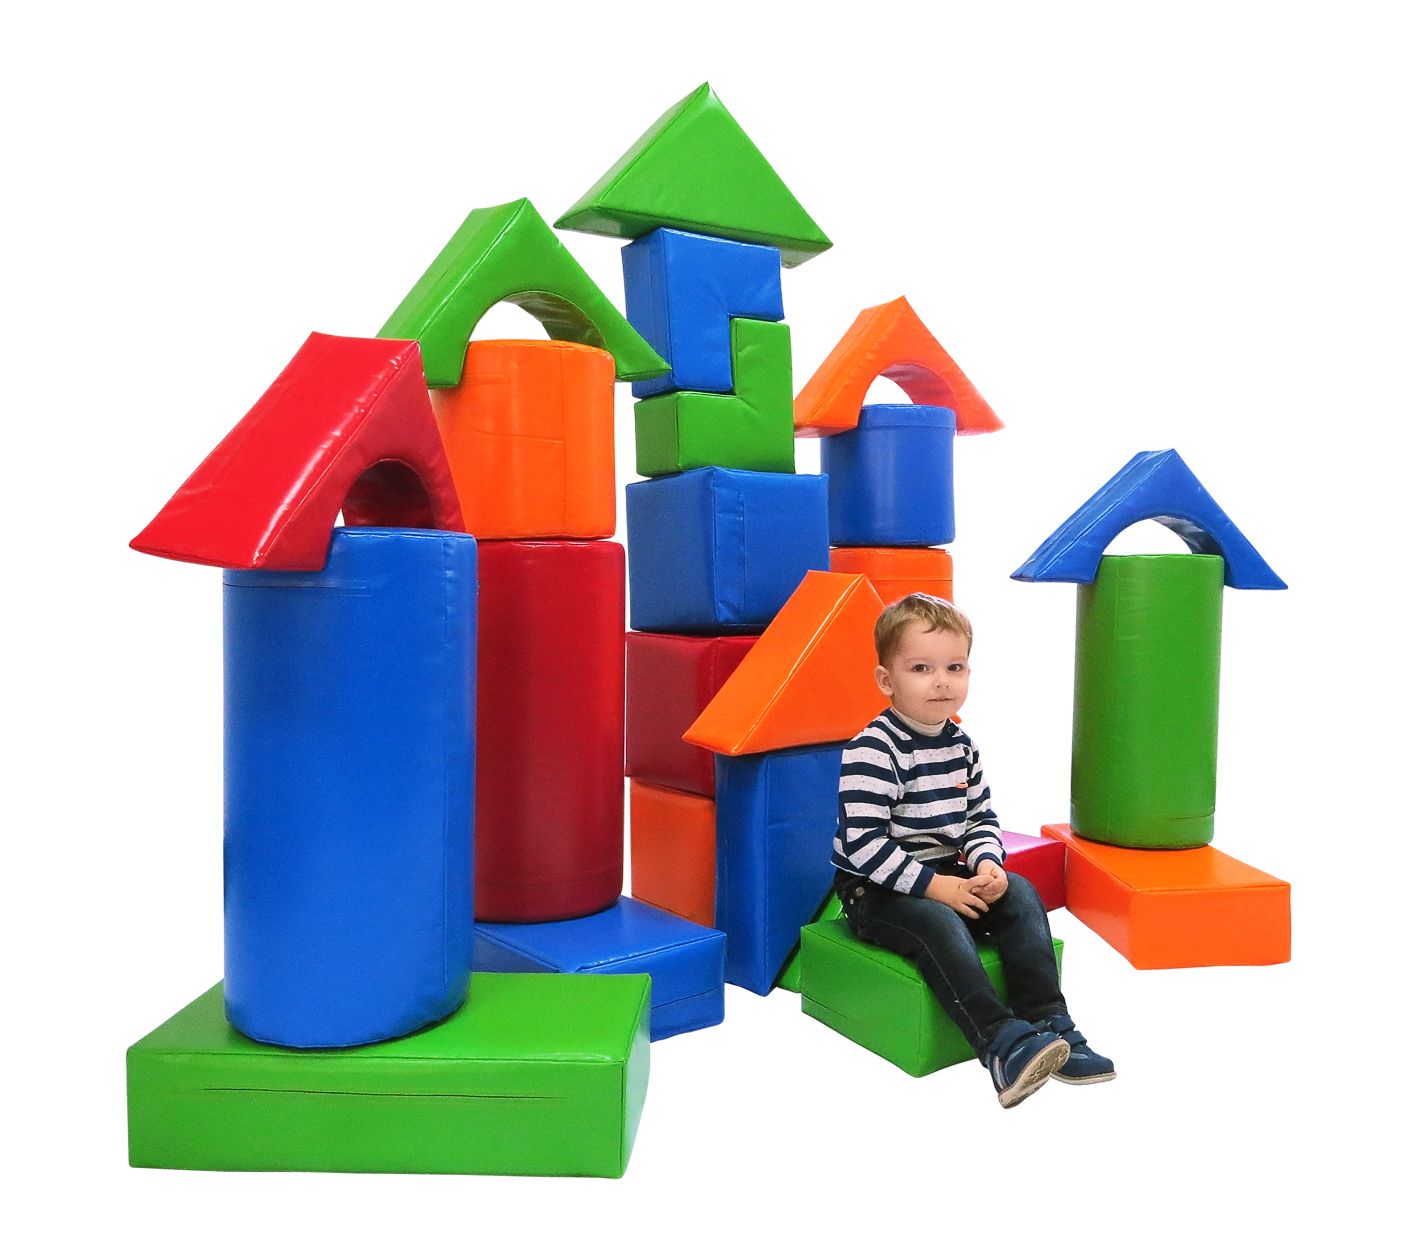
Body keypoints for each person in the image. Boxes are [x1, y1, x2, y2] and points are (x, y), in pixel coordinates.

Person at [833, 593, 1114, 1107]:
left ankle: (1049, 1022)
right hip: (873, 890)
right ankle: (1001, 1044)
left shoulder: (961, 746)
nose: (941, 681)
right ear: (886, 680)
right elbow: (864, 844)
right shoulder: (872, 749)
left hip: (946, 870)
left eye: (955, 667)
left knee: (1020, 892)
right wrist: (937, 888)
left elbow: (979, 819)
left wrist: (986, 863)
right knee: (937, 920)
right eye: (921, 668)